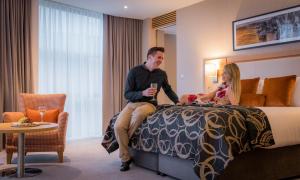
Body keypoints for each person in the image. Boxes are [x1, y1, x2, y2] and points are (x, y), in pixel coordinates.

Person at [114, 47, 180, 171]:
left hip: (150, 104)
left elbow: (168, 90)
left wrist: (177, 101)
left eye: (162, 58)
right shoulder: (134, 71)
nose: (161, 60)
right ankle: (126, 158)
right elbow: (127, 94)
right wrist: (142, 93)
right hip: (132, 104)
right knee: (118, 127)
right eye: (159, 57)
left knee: (139, 114)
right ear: (150, 57)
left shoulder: (161, 74)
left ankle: (124, 148)